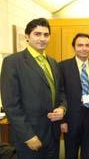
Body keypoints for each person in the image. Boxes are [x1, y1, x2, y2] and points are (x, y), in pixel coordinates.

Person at [0, 18, 67, 159]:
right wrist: (28, 136)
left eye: (46, 34)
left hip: (53, 134)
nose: (42, 38)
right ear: (27, 36)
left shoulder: (53, 63)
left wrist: (62, 108)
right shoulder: (12, 62)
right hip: (30, 136)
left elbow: (60, 92)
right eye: (37, 34)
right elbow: (11, 105)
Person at [59, 33, 89, 159]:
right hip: (71, 119)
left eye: (87, 45)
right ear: (74, 47)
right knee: (70, 154)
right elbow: (59, 94)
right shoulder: (62, 67)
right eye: (80, 45)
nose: (84, 48)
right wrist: (62, 121)